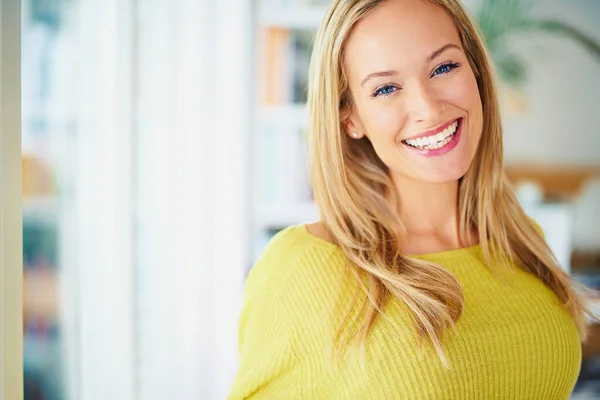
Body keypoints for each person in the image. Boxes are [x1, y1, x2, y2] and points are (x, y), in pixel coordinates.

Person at [228, 0, 593, 398]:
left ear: (476, 72)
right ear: (350, 117)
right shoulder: (300, 267)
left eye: (444, 67)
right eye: (386, 88)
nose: (428, 107)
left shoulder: (521, 238)